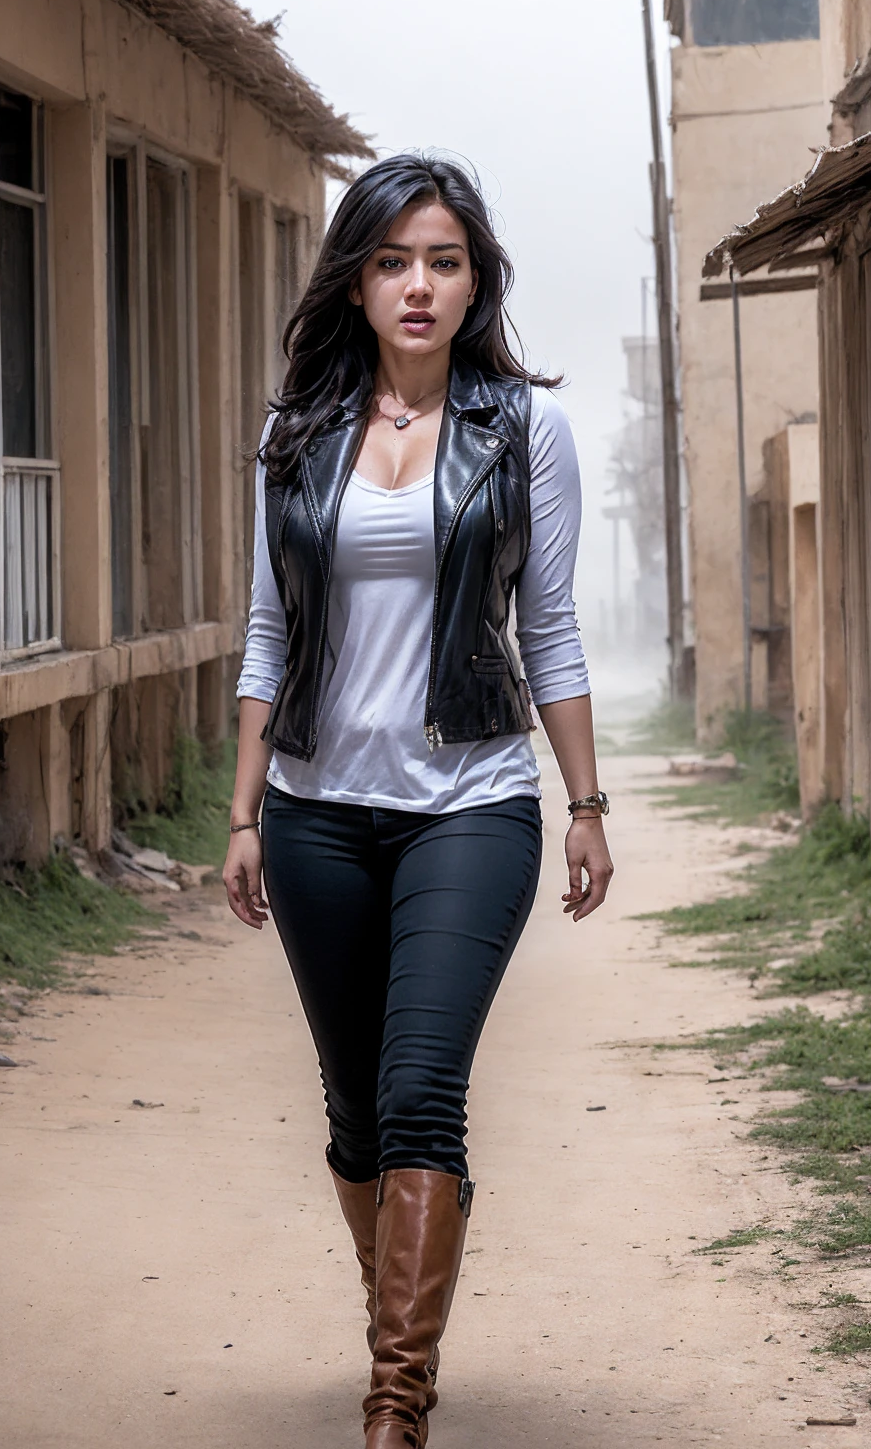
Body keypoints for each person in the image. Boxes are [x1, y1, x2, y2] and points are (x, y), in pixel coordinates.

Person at [223, 152, 613, 1449]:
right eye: (393, 260)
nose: (418, 285)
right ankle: (405, 1314)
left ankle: (396, 1404)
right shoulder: (296, 437)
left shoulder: (525, 429)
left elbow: (548, 629)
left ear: (474, 282)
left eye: (443, 261)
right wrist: (241, 815)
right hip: (317, 808)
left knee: (417, 1095)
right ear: (355, 282)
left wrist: (587, 802)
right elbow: (267, 637)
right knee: (352, 1118)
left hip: (474, 798)